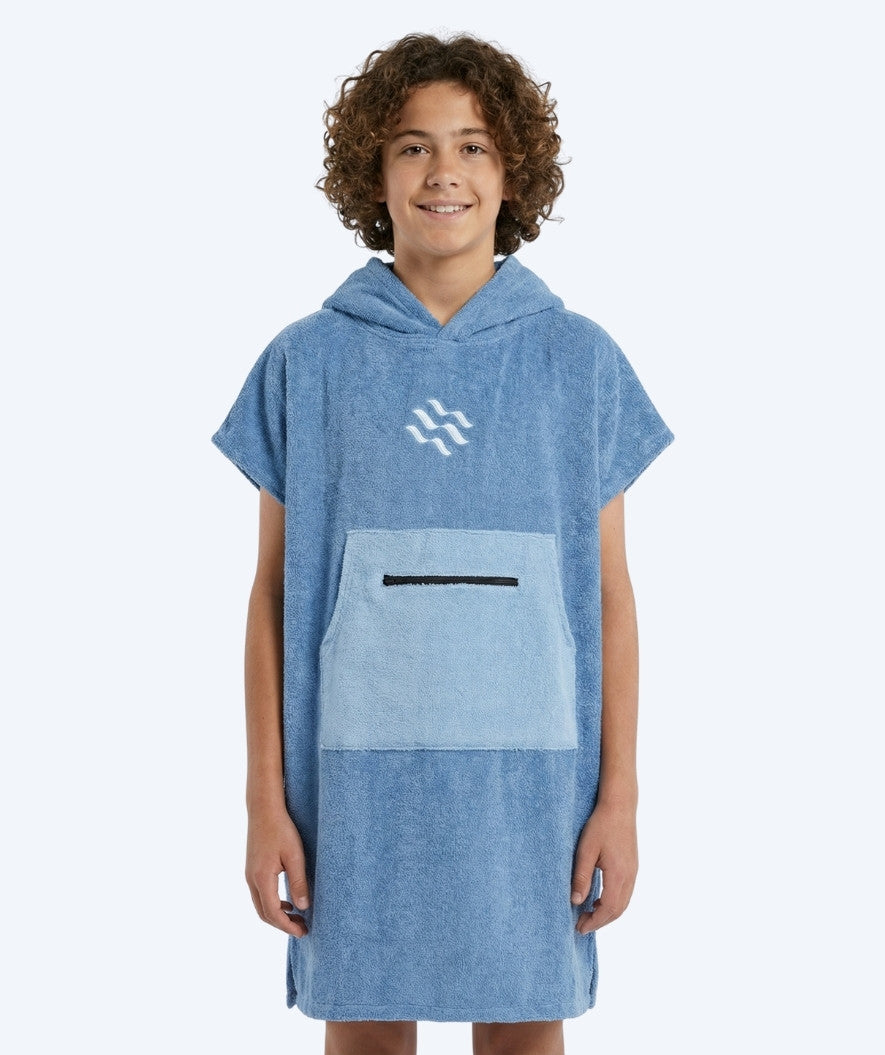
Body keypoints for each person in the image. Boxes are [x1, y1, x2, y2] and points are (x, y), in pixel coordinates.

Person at [212, 32, 675, 1055]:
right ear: (373, 174)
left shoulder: (578, 361)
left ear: (513, 173)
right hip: (351, 784)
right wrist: (262, 801)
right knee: (366, 1024)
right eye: (413, 147)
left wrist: (621, 798)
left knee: (522, 1025)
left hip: (534, 783)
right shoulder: (307, 362)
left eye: (473, 146)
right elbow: (273, 595)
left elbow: (608, 595)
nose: (443, 173)